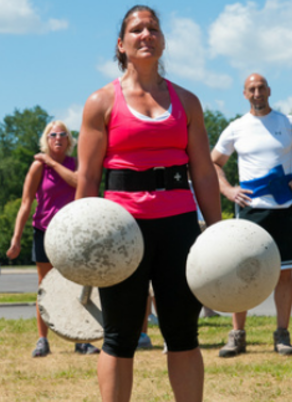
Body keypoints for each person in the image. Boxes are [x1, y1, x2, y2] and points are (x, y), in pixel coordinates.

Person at [76, 5, 221, 402]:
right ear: (121, 45)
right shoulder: (100, 102)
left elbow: (204, 174)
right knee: (120, 335)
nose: (146, 34)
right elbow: (88, 178)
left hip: (179, 228)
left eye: (153, 28)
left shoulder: (187, 102)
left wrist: (218, 232)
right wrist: (82, 244)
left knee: (183, 334)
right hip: (120, 231)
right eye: (137, 30)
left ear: (162, 41)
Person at [211, 73, 292, 357]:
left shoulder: (286, 123)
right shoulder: (236, 128)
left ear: (269, 91)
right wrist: (227, 190)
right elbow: (214, 164)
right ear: (245, 94)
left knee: (285, 275)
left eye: (261, 88)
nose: (257, 93)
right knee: (242, 272)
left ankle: (282, 334)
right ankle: (237, 336)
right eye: (252, 89)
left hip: (284, 209)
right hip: (249, 209)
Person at [6, 120, 100, 357]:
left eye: (62, 134)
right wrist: (16, 238)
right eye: (53, 134)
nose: (58, 138)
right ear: (46, 140)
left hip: (72, 233)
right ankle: (42, 340)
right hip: (44, 232)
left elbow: (80, 182)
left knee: (77, 284)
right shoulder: (37, 167)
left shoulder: (74, 164)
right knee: (45, 287)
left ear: (69, 140)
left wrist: (50, 162)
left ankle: (81, 340)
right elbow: (26, 203)